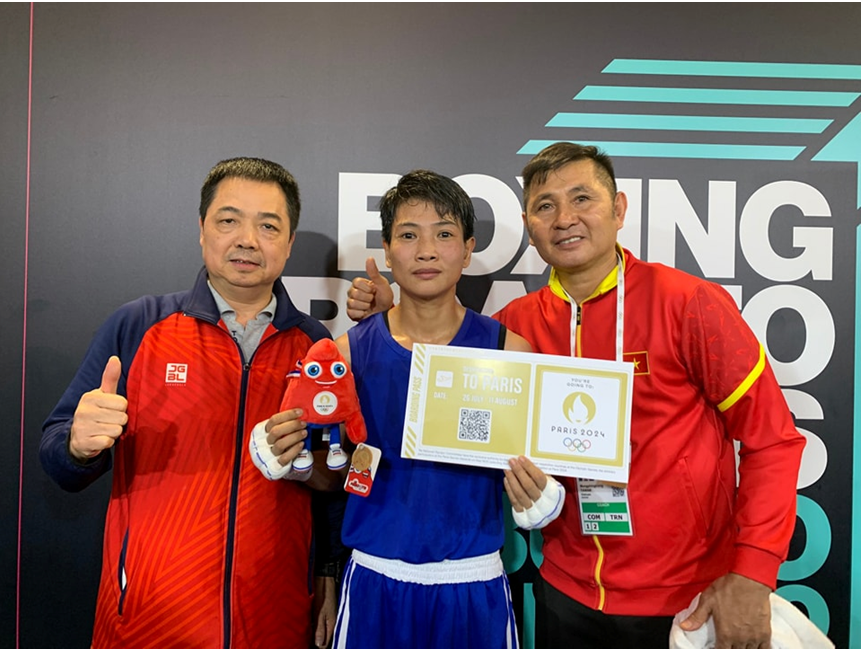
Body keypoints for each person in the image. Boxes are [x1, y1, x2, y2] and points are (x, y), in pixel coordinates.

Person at [345, 144, 806, 649]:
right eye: (546, 206)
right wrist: (390, 313)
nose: (565, 218)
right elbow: (436, 357)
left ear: (619, 209)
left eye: (582, 198)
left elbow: (773, 440)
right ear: (530, 226)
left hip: (684, 596)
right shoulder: (513, 331)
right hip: (565, 590)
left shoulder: (689, 303)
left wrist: (753, 571)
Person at [40, 157, 343, 649]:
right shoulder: (139, 324)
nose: (247, 239)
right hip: (149, 619)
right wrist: (77, 446)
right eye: (229, 220)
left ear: (289, 243)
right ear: (202, 230)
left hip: (273, 617)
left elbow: (334, 477)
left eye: (268, 226)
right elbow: (58, 457)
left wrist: (328, 570)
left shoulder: (317, 348)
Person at [284, 169, 552, 648]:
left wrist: (541, 496)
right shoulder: (346, 354)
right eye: (409, 235)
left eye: (444, 234)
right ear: (387, 250)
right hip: (374, 580)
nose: (426, 251)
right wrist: (288, 455)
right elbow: (327, 474)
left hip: (474, 583)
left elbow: (537, 471)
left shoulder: (509, 352)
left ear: (468, 249)